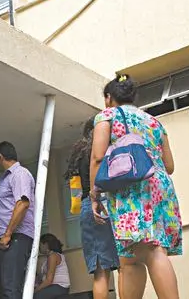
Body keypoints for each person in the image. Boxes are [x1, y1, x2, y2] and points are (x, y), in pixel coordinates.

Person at [90, 75, 182, 299]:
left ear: (109, 97)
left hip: (130, 188)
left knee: (150, 251)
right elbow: (169, 166)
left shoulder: (106, 116)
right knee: (132, 256)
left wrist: (94, 195)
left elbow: (97, 157)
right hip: (160, 187)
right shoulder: (154, 122)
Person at [64, 117, 119, 299]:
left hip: (91, 206)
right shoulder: (110, 149)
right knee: (126, 265)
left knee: (101, 272)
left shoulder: (81, 155)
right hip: (116, 203)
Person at [0, 141, 35, 299]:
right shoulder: (5, 178)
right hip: (4, 240)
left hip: (14, 238)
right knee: (2, 292)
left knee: (10, 289)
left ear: (0, 157)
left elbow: (23, 204)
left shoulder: (19, 173)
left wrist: (7, 234)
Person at [33, 234, 70, 299]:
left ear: (46, 244)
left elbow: (49, 280)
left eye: (40, 244)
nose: (39, 247)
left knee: (35, 296)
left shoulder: (53, 256)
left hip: (59, 287)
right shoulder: (50, 257)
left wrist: (35, 291)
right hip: (54, 287)